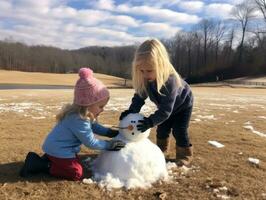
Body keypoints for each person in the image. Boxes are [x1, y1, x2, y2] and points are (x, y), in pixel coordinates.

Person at [20, 68, 125, 181]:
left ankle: (49, 159)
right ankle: (40, 165)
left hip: (57, 148)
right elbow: (90, 142)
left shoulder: (82, 114)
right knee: (76, 173)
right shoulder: (79, 119)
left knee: (75, 164)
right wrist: (109, 145)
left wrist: (109, 132)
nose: (103, 110)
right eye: (100, 106)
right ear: (87, 104)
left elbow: (94, 126)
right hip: (59, 150)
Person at [120, 39, 194, 166]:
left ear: (161, 65)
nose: (145, 74)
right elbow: (139, 98)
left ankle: (185, 155)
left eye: (149, 70)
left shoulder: (170, 82)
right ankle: (162, 151)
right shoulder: (146, 79)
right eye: (141, 71)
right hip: (166, 108)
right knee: (162, 129)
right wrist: (131, 112)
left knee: (179, 130)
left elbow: (165, 111)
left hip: (182, 107)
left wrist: (149, 122)